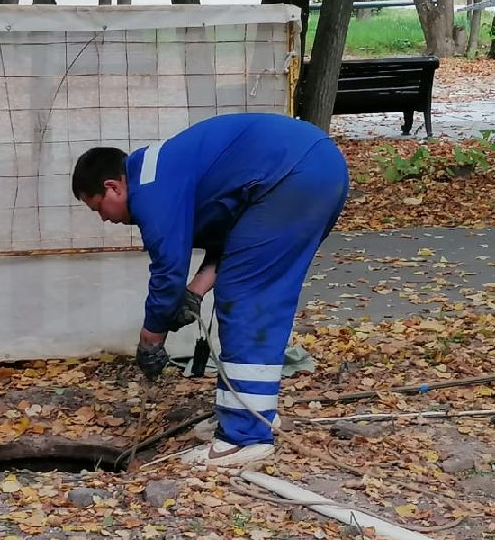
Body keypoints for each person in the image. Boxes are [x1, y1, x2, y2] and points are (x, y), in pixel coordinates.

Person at [73, 112, 349, 468]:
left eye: (98, 208)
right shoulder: (160, 171)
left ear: (113, 186)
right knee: (245, 287)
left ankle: (244, 438)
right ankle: (251, 412)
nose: (105, 219)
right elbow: (235, 233)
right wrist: (197, 291)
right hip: (311, 167)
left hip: (294, 175)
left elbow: (167, 268)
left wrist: (151, 337)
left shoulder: (150, 190)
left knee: (247, 297)